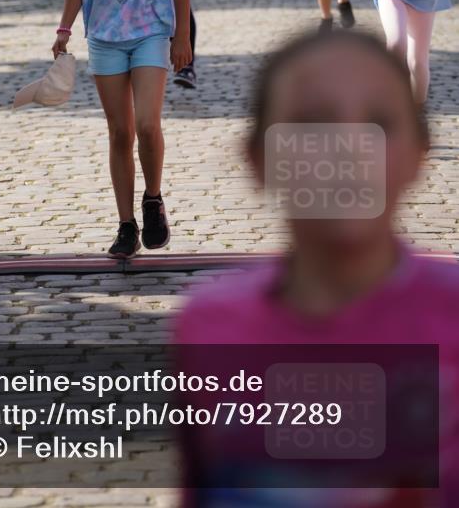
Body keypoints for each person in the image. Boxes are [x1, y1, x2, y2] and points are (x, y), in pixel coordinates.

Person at [175, 28, 459, 506]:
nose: (348, 148)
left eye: (379, 122)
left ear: (419, 155)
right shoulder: (207, 327)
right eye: (311, 123)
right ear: (258, 160)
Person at [53, 0, 193, 259]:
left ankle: (153, 199)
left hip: (150, 32)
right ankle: (126, 224)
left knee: (148, 124)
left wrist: (181, 36)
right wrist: (64, 29)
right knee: (120, 132)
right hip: (104, 37)